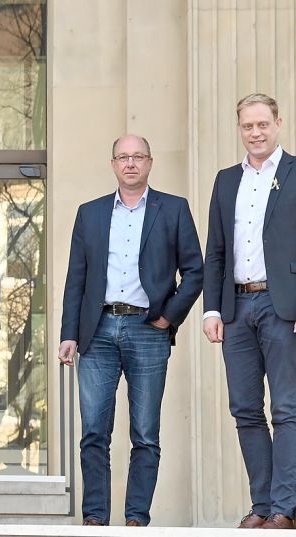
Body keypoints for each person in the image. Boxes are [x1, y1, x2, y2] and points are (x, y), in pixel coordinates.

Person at [58, 135, 203, 527]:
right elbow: (77, 278)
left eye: (138, 156)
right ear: (113, 164)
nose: (131, 163)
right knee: (93, 432)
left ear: (150, 162)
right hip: (97, 329)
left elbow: (195, 271)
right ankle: (95, 518)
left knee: (145, 433)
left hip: (147, 329)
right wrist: (68, 333)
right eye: (123, 157)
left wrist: (168, 317)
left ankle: (136, 518)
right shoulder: (90, 213)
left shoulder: (173, 209)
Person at [203, 93, 296, 530]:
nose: (255, 133)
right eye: (247, 126)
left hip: (283, 309)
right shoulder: (226, 180)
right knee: (244, 409)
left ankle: (285, 506)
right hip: (236, 307)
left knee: (287, 409)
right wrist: (211, 311)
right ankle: (261, 505)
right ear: (239, 128)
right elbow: (216, 251)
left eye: (262, 124)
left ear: (278, 124)